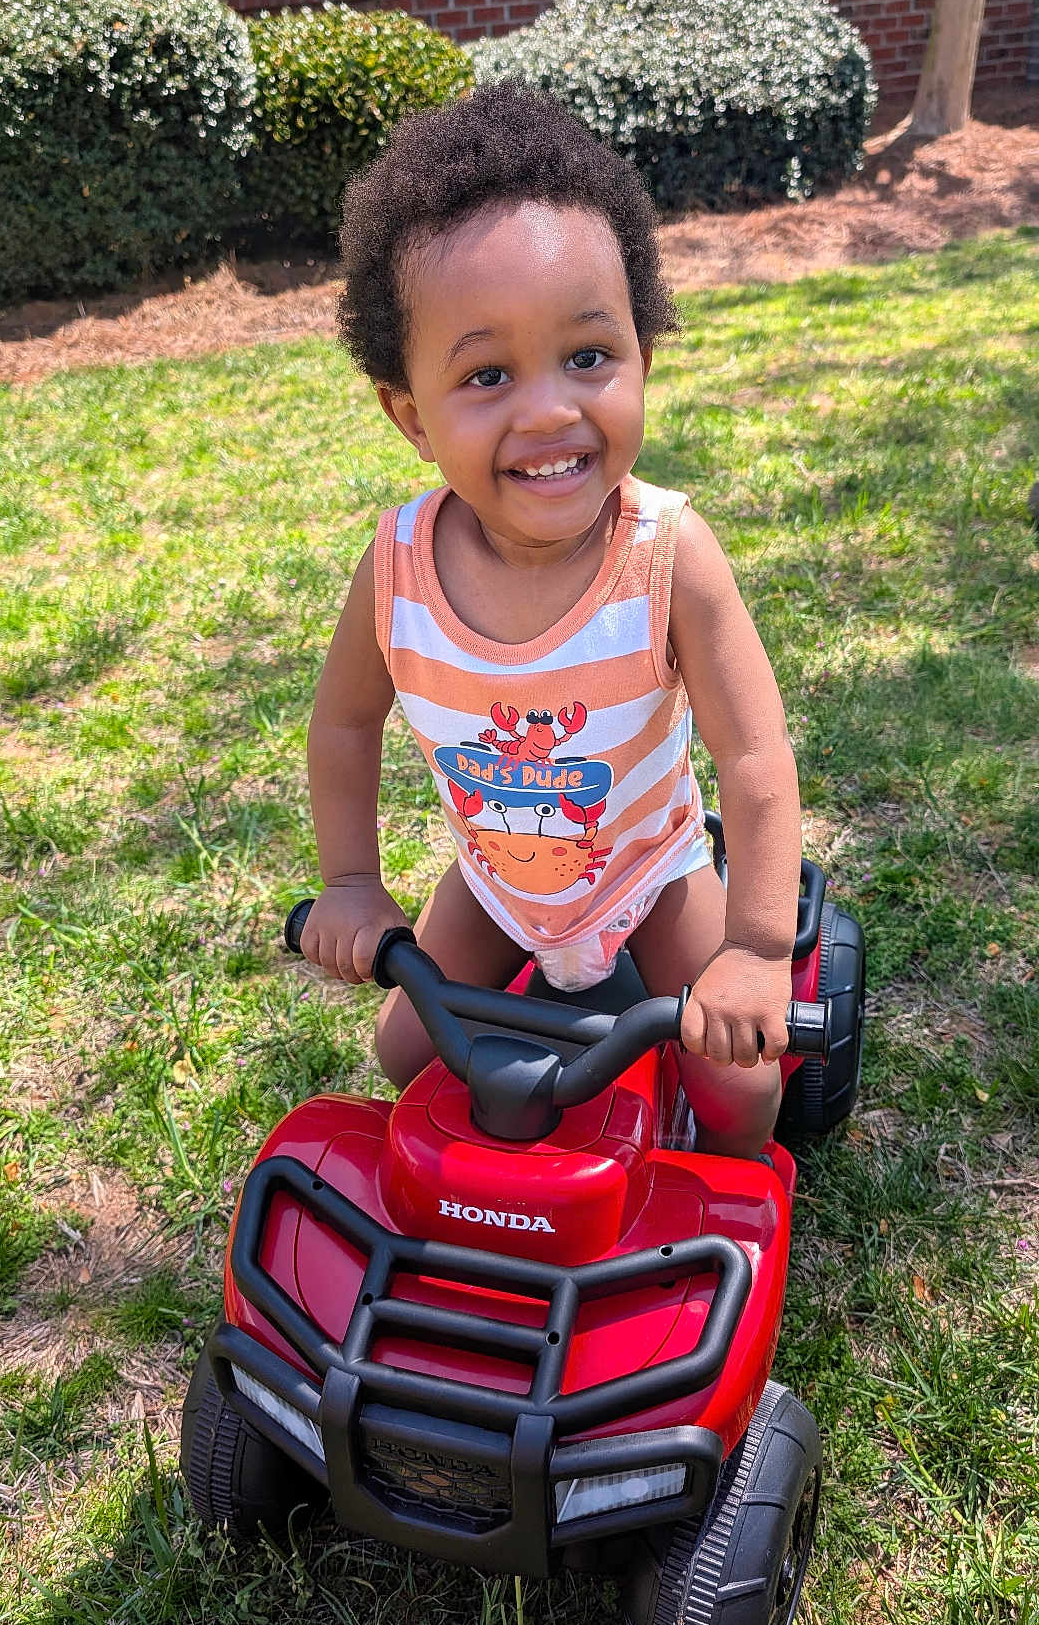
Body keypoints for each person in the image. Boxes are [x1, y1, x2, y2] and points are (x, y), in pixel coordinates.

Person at [299, 79, 801, 1159]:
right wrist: (350, 882)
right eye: (486, 373)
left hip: (650, 871)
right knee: (402, 1057)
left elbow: (753, 756)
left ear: (643, 355)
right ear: (411, 416)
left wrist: (758, 948)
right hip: (497, 879)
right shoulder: (395, 567)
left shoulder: (667, 554)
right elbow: (343, 725)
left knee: (740, 1098)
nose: (549, 411)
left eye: (587, 356)